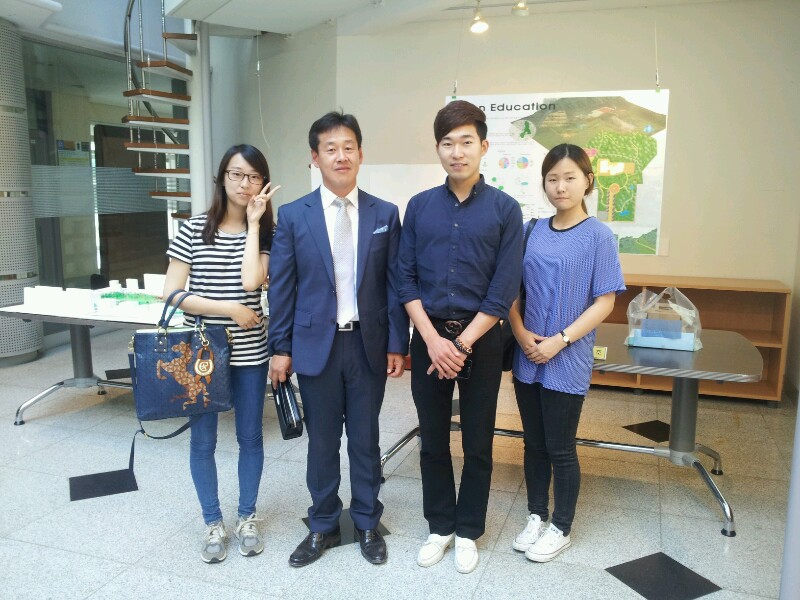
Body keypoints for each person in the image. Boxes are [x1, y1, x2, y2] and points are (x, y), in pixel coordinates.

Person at [267, 111, 409, 567]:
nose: (340, 156)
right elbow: (282, 288)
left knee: (365, 440)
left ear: (360, 154)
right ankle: (323, 523)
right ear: (315, 157)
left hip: (368, 346)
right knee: (322, 443)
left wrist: (397, 344)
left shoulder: (385, 213)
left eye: (348, 147)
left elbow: (394, 284)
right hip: (315, 348)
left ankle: (367, 521)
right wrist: (280, 349)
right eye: (330, 148)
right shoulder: (293, 216)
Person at [397, 100, 523, 574]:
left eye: (466, 141)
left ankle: (468, 529)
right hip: (429, 338)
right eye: (448, 143)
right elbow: (405, 278)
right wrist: (432, 340)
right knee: (432, 439)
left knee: (478, 441)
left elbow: (503, 289)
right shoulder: (420, 207)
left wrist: (463, 344)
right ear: (438, 148)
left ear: (483, 146)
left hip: (482, 340)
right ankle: (439, 526)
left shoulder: (505, 210)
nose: (457, 151)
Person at [508, 143, 625, 562]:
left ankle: (561, 526)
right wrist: (521, 333)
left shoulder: (599, 236)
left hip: (567, 356)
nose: (560, 186)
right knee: (533, 443)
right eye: (553, 178)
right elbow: (512, 291)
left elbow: (605, 301)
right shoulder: (531, 230)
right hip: (527, 353)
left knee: (560, 446)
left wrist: (560, 340)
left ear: (588, 181)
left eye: (570, 177)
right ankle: (536, 515)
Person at [163, 144, 280, 563]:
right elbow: (172, 293)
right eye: (236, 174)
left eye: (253, 176)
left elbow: (251, 281)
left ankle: (247, 517)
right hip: (201, 353)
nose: (244, 184)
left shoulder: (267, 233)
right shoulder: (193, 229)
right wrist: (228, 309)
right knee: (203, 440)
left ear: (263, 183)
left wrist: (254, 224)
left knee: (250, 436)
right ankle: (213, 522)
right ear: (222, 178)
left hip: (250, 352)